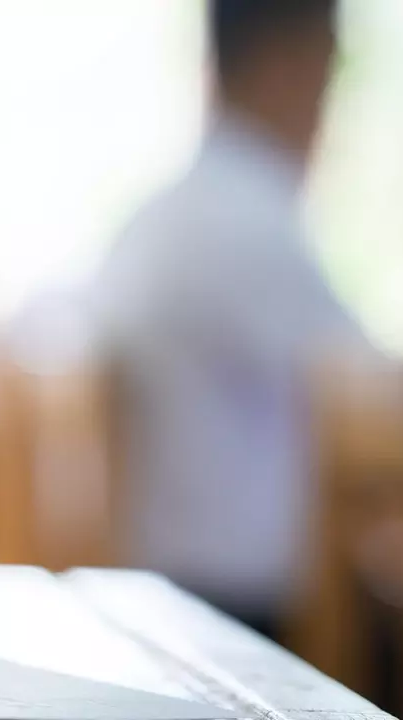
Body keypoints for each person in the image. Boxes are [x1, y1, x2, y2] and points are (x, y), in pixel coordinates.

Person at [95, 0, 368, 639]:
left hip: (165, 587)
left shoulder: (159, 214)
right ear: (288, 64)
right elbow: (369, 403)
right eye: (330, 71)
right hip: (237, 614)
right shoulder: (248, 221)